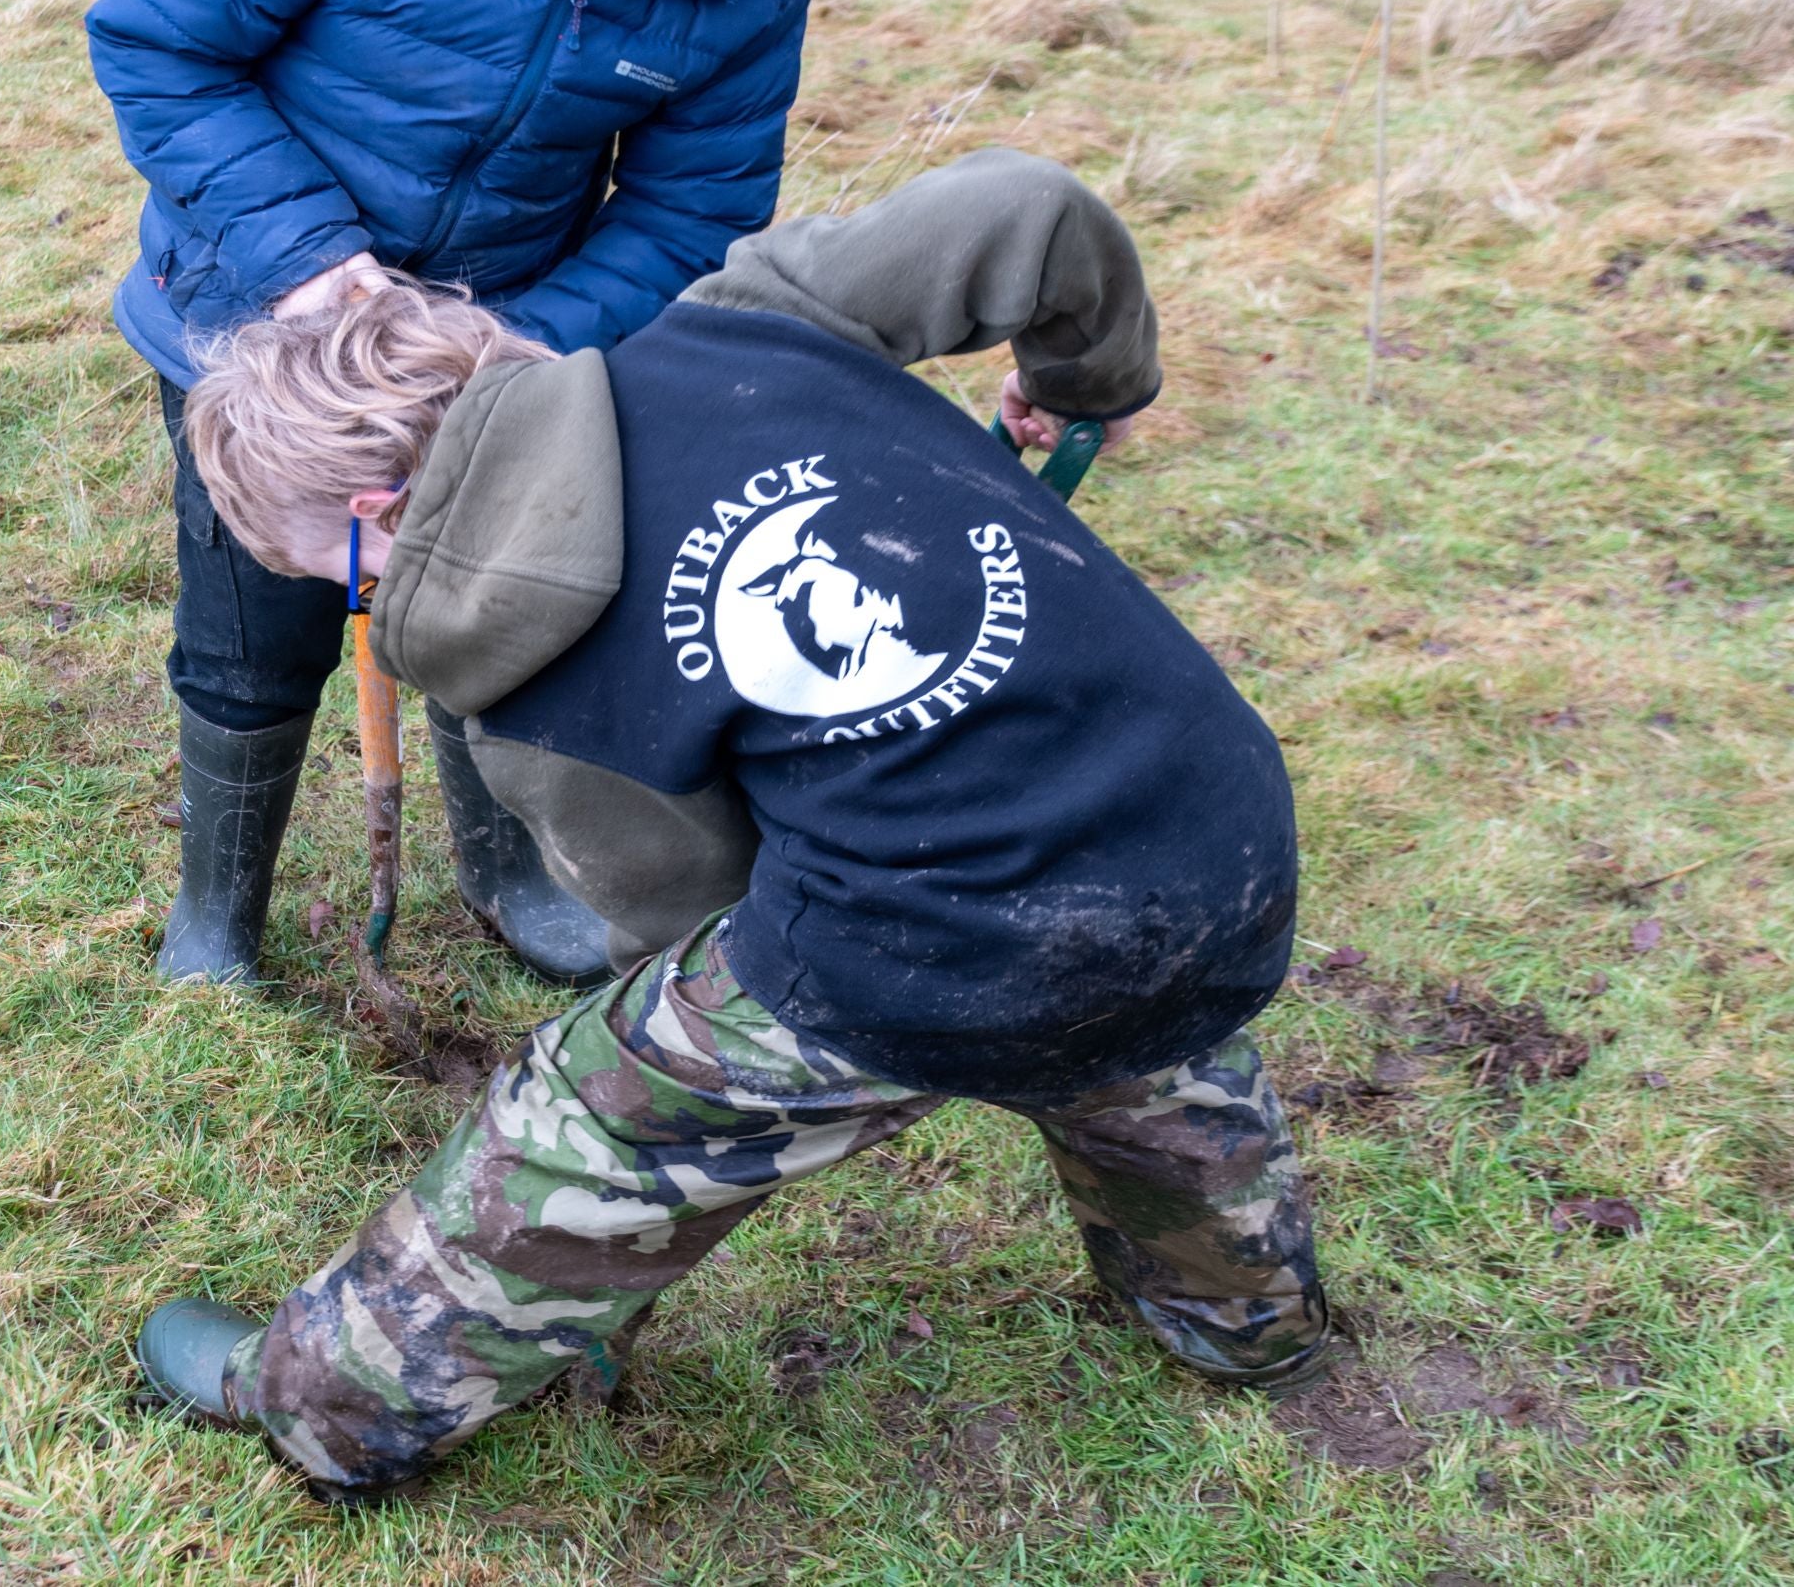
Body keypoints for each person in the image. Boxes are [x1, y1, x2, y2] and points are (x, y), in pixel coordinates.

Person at [131, 149, 1336, 1500]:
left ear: (374, 522)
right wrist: (1084, 390)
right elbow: (1025, 211)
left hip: (956, 929)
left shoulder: (525, 692)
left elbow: (696, 918)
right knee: (1136, 1016)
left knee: (594, 1117)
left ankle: (328, 1405)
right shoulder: (750, 313)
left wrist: (684, 1087)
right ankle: (1242, 1322)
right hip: (1208, 815)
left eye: (324, 578)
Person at [86, 0, 816, 987]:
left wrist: (500, 355)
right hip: (259, 318)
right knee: (253, 634)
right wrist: (303, 257)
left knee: (499, 613)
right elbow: (158, 44)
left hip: (501, 355)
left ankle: (511, 871)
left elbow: (693, 209)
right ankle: (218, 908)